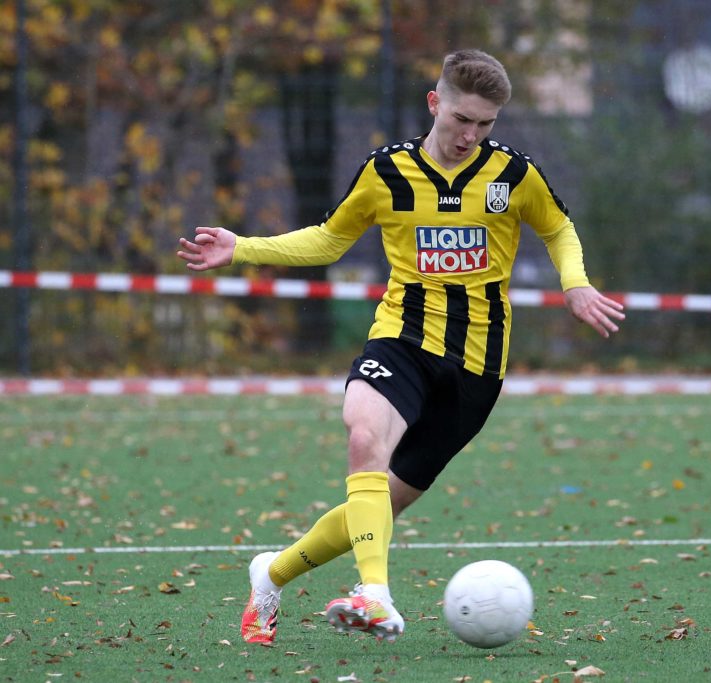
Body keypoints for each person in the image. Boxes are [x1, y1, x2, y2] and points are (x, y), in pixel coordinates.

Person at [176, 49, 625, 645]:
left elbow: (558, 228)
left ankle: (272, 573)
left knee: (380, 507)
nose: (470, 135)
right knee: (364, 435)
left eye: (485, 124)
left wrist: (575, 283)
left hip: (477, 368)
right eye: (461, 118)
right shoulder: (386, 172)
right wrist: (244, 248)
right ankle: (375, 596)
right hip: (402, 338)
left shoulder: (513, 175)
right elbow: (329, 240)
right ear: (434, 103)